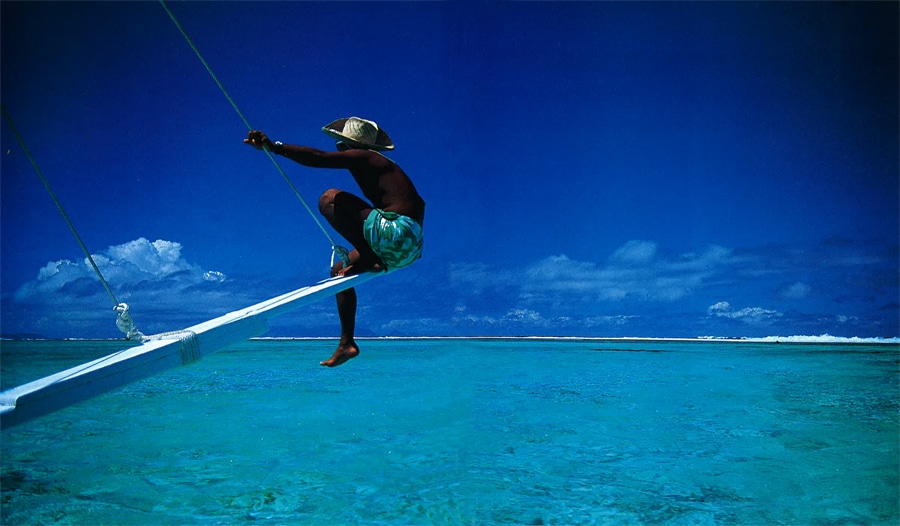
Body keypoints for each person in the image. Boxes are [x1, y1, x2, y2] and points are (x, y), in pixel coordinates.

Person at [244, 117, 425, 367]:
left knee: (329, 199)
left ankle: (371, 258)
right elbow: (418, 204)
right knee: (338, 272)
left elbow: (320, 158)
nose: (340, 150)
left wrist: (274, 147)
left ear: (353, 147)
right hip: (407, 247)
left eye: (343, 145)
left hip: (398, 232)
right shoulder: (379, 167)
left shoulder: (367, 158)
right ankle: (347, 343)